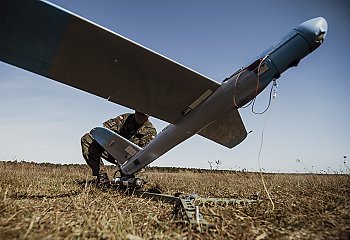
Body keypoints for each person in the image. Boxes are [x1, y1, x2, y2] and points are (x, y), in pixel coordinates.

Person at [81, 111, 157, 184]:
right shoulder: (125, 118)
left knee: (135, 184)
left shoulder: (150, 132)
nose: (140, 116)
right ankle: (102, 178)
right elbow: (105, 131)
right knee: (87, 139)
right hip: (114, 151)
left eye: (143, 115)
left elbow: (144, 157)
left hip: (133, 161)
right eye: (138, 113)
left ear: (148, 116)